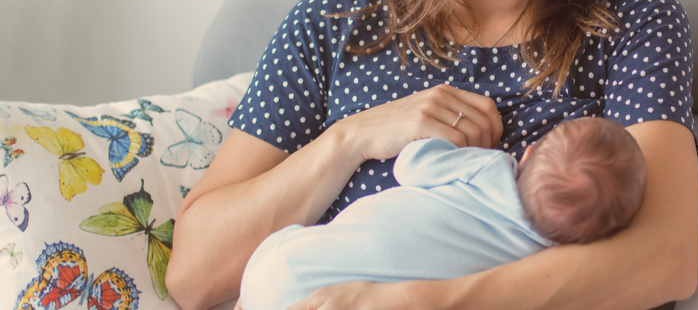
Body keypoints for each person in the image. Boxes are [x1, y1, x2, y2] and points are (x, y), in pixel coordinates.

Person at [167, 0, 698, 308]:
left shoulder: (631, 20)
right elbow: (193, 275)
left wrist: (417, 302)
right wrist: (351, 140)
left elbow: (665, 258)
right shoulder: (333, 24)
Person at [240, 117, 647, 310]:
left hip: (287, 266)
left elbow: (411, 165)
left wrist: (453, 147)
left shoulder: (489, 169)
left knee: (281, 258)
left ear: (531, 153)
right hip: (328, 298)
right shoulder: (537, 262)